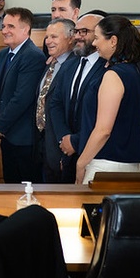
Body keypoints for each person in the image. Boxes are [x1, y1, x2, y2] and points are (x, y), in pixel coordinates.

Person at [76, 16, 140, 184]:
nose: (94, 44)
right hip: (133, 163)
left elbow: (103, 130)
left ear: (113, 41)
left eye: (97, 38)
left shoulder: (113, 76)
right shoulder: (137, 73)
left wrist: (81, 164)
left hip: (106, 165)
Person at [0, 7, 46, 183]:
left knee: (25, 190)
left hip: (23, 138)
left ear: (25, 29)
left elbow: (22, 98)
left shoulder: (33, 56)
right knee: (10, 186)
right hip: (6, 136)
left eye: (11, 26)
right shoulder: (4, 54)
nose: (4, 31)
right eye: (4, 26)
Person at [48, 13, 106, 183]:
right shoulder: (70, 64)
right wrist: (64, 137)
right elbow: (56, 103)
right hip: (67, 151)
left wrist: (76, 141)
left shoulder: (109, 67)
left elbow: (103, 115)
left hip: (96, 153)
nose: (78, 36)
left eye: (84, 31)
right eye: (76, 31)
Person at [36, 18, 76, 183]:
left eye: (54, 37)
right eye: (47, 37)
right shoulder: (50, 63)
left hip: (62, 146)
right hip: (44, 142)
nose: (48, 41)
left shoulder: (75, 65)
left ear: (70, 38)